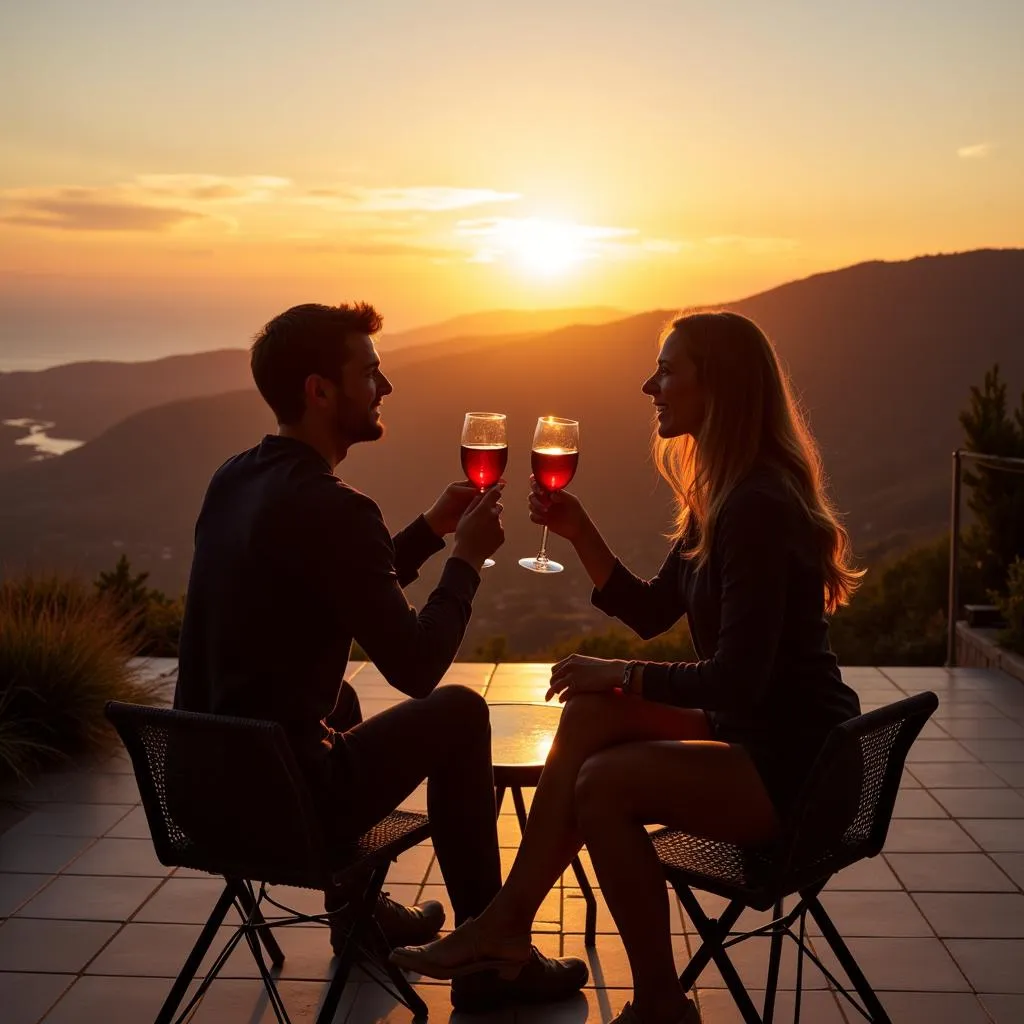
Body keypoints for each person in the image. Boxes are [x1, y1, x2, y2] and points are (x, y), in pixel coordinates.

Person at [391, 311, 864, 1024]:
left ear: (721, 385)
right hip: (757, 733)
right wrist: (580, 532)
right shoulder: (725, 494)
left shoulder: (759, 506)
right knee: (589, 714)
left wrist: (621, 672)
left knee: (603, 784)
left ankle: (658, 1003)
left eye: (669, 370)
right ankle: (507, 926)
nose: (651, 385)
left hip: (797, 767)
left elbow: (738, 678)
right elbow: (649, 611)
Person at [172, 302, 587, 1013]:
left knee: (343, 704)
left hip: (196, 793)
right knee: (457, 711)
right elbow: (417, 666)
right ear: (319, 390)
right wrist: (465, 562)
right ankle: (490, 962)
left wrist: (429, 531)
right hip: (280, 811)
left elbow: (338, 587)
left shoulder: (235, 477)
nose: (385, 385)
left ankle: (359, 919)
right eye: (369, 372)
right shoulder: (337, 507)